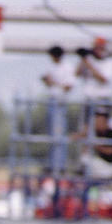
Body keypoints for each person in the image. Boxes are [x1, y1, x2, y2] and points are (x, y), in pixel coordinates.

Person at [41, 45, 75, 174]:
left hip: (60, 103)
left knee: (58, 135)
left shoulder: (67, 67)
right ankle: (52, 163)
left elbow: (68, 86)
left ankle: (60, 165)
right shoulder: (51, 66)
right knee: (52, 136)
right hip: (51, 100)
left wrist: (54, 82)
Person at [76, 37, 112, 108]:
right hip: (88, 97)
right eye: (96, 46)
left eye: (100, 47)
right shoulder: (89, 59)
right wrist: (83, 58)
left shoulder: (108, 61)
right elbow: (76, 74)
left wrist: (89, 64)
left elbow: (103, 79)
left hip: (102, 97)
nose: (97, 49)